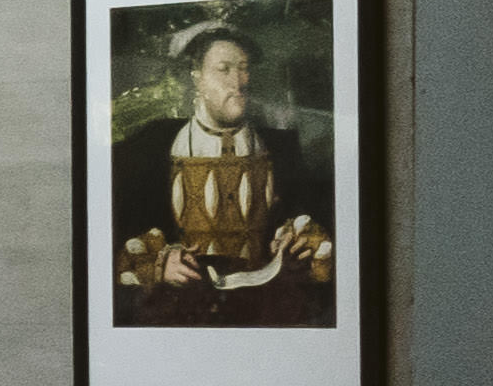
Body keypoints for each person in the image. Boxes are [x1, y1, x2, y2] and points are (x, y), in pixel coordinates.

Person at [111, 17, 335, 323]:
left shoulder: (283, 149)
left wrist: (299, 243)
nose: (239, 81)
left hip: (265, 312)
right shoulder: (152, 146)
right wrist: (159, 265)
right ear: (197, 78)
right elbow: (111, 237)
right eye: (224, 69)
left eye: (244, 68)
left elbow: (315, 226)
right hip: (181, 316)